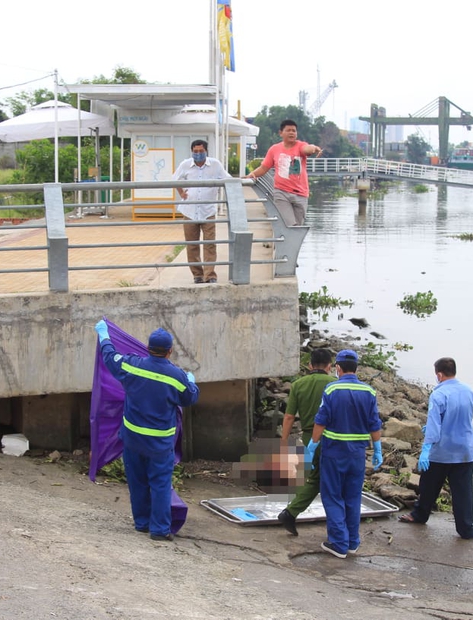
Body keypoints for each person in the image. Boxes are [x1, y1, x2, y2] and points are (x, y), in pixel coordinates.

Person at [94, 320, 199, 541]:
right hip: (160, 444)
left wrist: (104, 335)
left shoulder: (132, 366)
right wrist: (191, 381)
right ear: (170, 352)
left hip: (132, 438)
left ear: (148, 348)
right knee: (160, 485)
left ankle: (141, 523)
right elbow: (190, 398)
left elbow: (110, 357)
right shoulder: (176, 377)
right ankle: (159, 530)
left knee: (137, 481)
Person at [307, 350, 382, 558]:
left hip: (334, 452)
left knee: (332, 496)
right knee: (353, 496)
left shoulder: (332, 389)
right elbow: (374, 423)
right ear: (356, 368)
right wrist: (377, 448)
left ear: (338, 368)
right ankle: (352, 542)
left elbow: (321, 420)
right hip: (357, 454)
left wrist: (312, 445)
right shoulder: (369, 392)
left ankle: (339, 543)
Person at [399, 357, 473, 540]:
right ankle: (467, 529)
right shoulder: (468, 391)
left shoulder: (439, 395)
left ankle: (420, 515)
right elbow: (465, 417)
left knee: (429, 485)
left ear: (439, 375)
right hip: (465, 449)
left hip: (443, 450)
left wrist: (426, 449)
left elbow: (434, 426)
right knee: (463, 492)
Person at [277, 348, 335, 536]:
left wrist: (284, 441)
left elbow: (289, 417)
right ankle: (292, 512)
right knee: (326, 477)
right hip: (332, 437)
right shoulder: (334, 384)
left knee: (318, 476)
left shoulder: (299, 385)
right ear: (329, 366)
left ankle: (292, 512)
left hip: (310, 436)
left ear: (310, 365)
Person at [172, 139, 231, 284]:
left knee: (210, 243)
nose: (198, 154)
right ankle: (197, 274)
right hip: (189, 210)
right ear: (192, 152)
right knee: (192, 244)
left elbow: (227, 179)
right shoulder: (185, 164)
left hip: (208, 210)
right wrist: (181, 193)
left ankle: (210, 275)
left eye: (201, 151)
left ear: (206, 151)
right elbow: (174, 179)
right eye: (195, 151)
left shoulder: (215, 165)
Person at [245, 119, 323, 226]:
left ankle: (292, 243)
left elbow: (307, 149)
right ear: (281, 133)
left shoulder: (300, 146)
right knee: (289, 225)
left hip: (301, 194)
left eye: (294, 131)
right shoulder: (274, 149)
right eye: (288, 130)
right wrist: (252, 175)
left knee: (298, 227)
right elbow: (264, 168)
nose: (291, 133)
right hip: (281, 192)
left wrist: (314, 148)